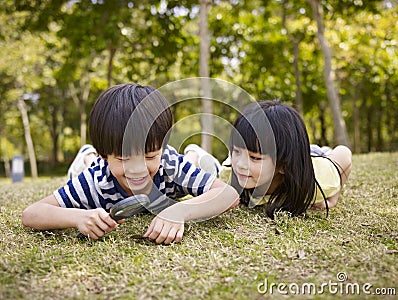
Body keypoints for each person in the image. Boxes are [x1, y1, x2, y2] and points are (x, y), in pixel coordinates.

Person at [22, 84, 239, 244]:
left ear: (162, 149)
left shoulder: (169, 163)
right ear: (105, 155)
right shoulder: (94, 181)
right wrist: (78, 217)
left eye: (150, 156)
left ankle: (192, 155)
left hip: (174, 170)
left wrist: (179, 211)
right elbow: (31, 214)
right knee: (88, 166)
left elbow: (229, 195)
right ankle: (86, 155)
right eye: (124, 159)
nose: (138, 169)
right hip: (94, 165)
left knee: (191, 168)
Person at [184, 100, 352, 219]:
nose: (241, 165)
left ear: (283, 165)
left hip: (312, 154)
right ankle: (195, 154)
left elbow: (344, 154)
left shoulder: (318, 179)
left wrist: (332, 198)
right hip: (232, 169)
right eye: (236, 151)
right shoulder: (231, 174)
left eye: (255, 158)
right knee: (218, 173)